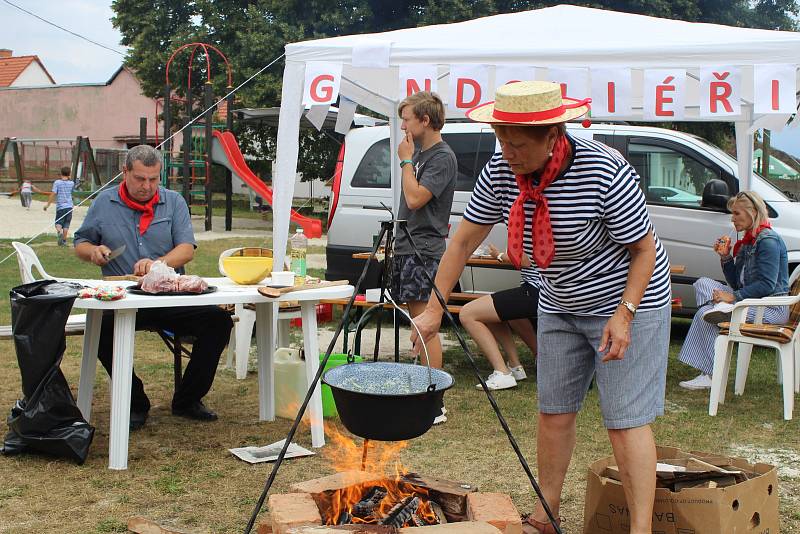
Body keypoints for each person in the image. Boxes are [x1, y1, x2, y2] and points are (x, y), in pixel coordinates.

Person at [411, 81, 672, 534]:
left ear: (553, 136)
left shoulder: (603, 171)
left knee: (624, 419)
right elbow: (465, 239)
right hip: (559, 299)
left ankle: (641, 529)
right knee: (554, 409)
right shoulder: (501, 170)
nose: (507, 152)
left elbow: (644, 250)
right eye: (501, 140)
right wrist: (435, 308)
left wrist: (625, 314)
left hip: (628, 297)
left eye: (517, 144)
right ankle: (545, 516)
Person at [74, 145, 233, 430]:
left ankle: (187, 399)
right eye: (140, 179)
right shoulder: (103, 202)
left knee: (218, 322)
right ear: (125, 173)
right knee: (100, 330)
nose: (147, 186)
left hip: (170, 296)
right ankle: (135, 402)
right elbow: (81, 243)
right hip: (123, 299)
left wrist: (158, 264)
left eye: (153, 179)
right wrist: (93, 251)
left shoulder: (173, 202)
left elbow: (186, 250)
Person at [677, 191, 789, 390]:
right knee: (702, 283)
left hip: (770, 308)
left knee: (705, 313)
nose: (732, 218)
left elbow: (767, 285)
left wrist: (733, 297)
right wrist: (726, 257)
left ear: (752, 212)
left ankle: (711, 374)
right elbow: (738, 283)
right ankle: (719, 310)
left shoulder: (768, 241)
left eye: (737, 213)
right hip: (751, 302)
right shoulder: (748, 241)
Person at [391, 91, 457, 421]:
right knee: (416, 322)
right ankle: (423, 390)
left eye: (407, 119)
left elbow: (416, 199)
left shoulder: (441, 157)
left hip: (425, 249)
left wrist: (405, 161)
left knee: (425, 323)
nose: (402, 125)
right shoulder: (420, 153)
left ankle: (435, 403)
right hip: (408, 245)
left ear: (425, 120)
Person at [461, 243, 539, 390]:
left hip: (537, 290)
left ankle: (502, 372)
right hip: (541, 289)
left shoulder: (534, 224)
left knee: (468, 314)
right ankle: (516, 366)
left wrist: (499, 255)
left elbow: (526, 259)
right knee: (492, 312)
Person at [44, 166, 75, 246]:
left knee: (58, 223)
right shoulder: (72, 183)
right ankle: (64, 241)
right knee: (66, 224)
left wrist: (47, 205)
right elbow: (72, 193)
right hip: (69, 207)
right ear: (69, 174)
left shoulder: (57, 182)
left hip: (60, 207)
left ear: (61, 173)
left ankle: (59, 232)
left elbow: (53, 193)